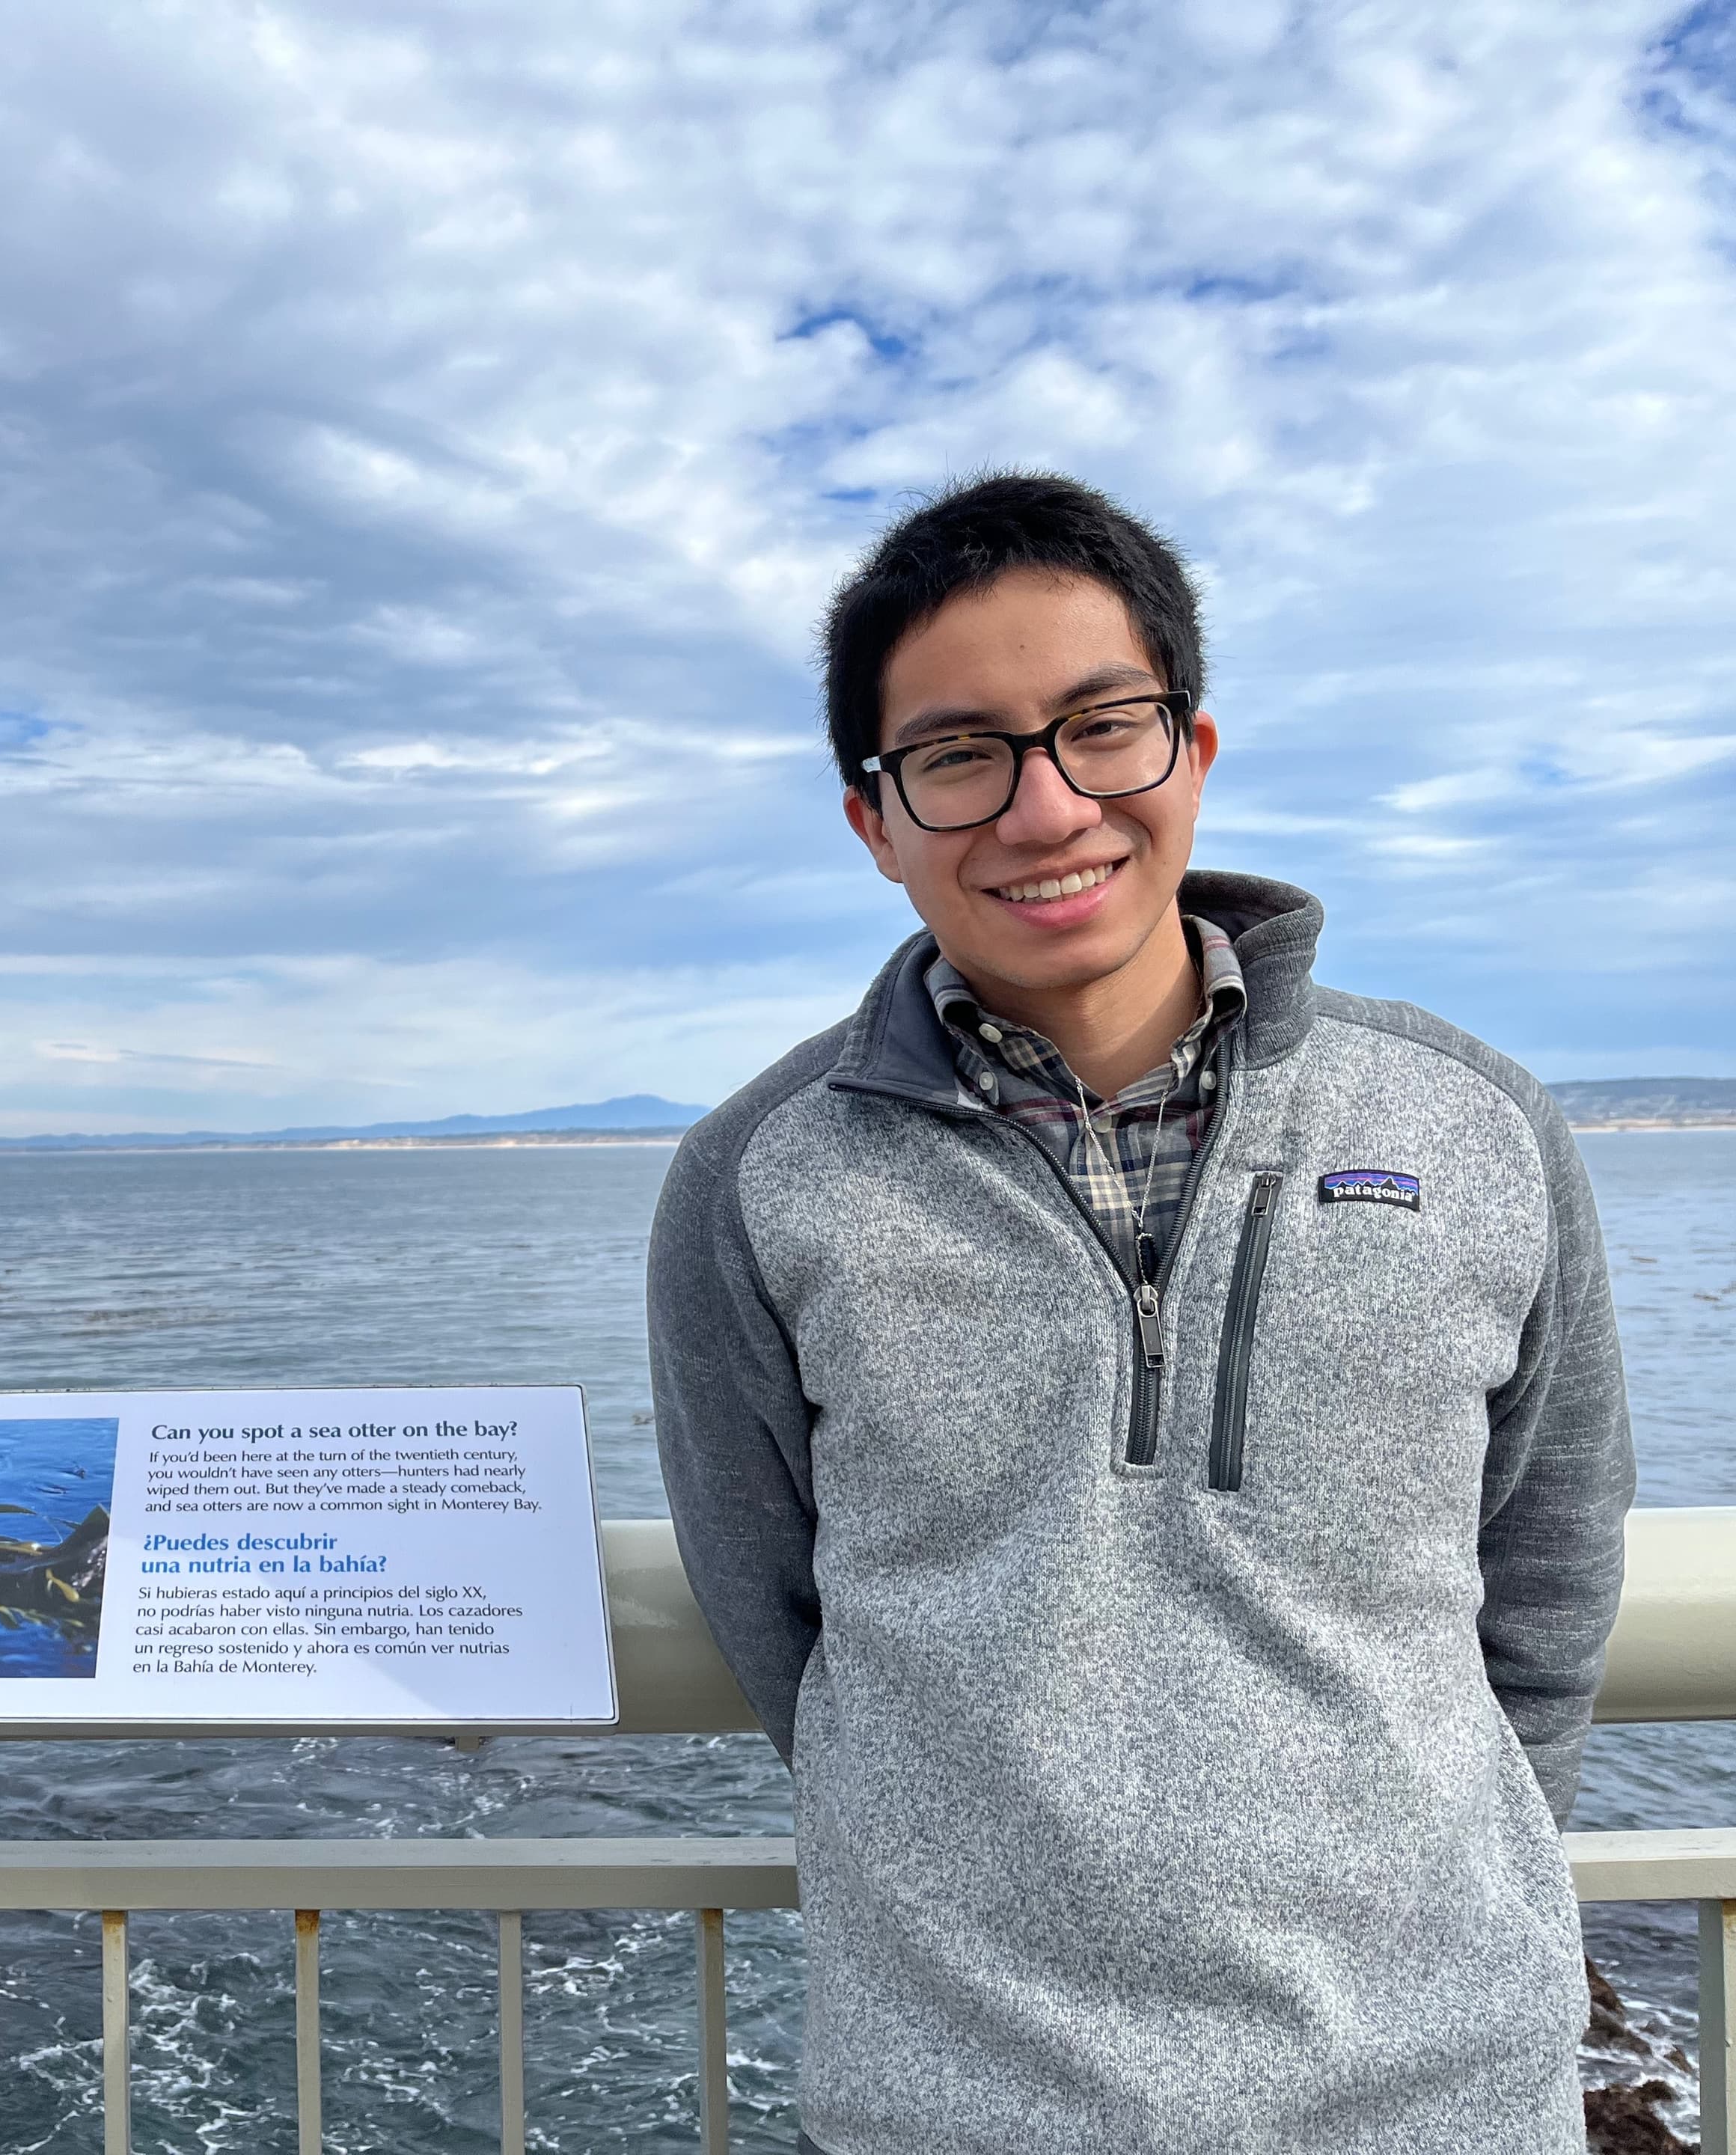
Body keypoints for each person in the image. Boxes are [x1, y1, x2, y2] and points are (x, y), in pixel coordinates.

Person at [647, 472, 1633, 2154]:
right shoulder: (762, 1177)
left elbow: (1545, 1577)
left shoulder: (1469, 1124)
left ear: (1193, 749)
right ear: (874, 822)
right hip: (953, 2108)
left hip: (1443, 2098)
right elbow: (775, 1608)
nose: (1045, 811)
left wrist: (1447, 1888)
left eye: (1102, 727)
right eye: (957, 755)